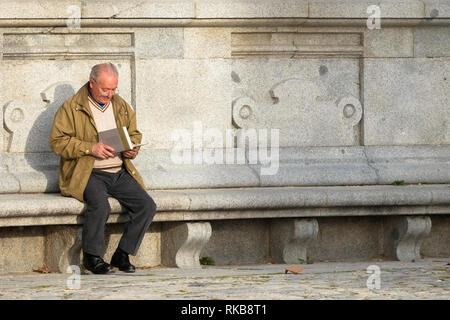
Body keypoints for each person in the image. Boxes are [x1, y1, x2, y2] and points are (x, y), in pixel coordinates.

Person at [49, 62, 157, 274]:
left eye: (113, 89)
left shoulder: (121, 105)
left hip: (118, 170)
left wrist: (131, 149)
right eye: (105, 89)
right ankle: (92, 257)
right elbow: (57, 142)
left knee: (147, 205)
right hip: (88, 172)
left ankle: (122, 253)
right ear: (92, 83)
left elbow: (134, 134)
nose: (109, 94)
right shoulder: (71, 107)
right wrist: (90, 148)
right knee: (100, 206)